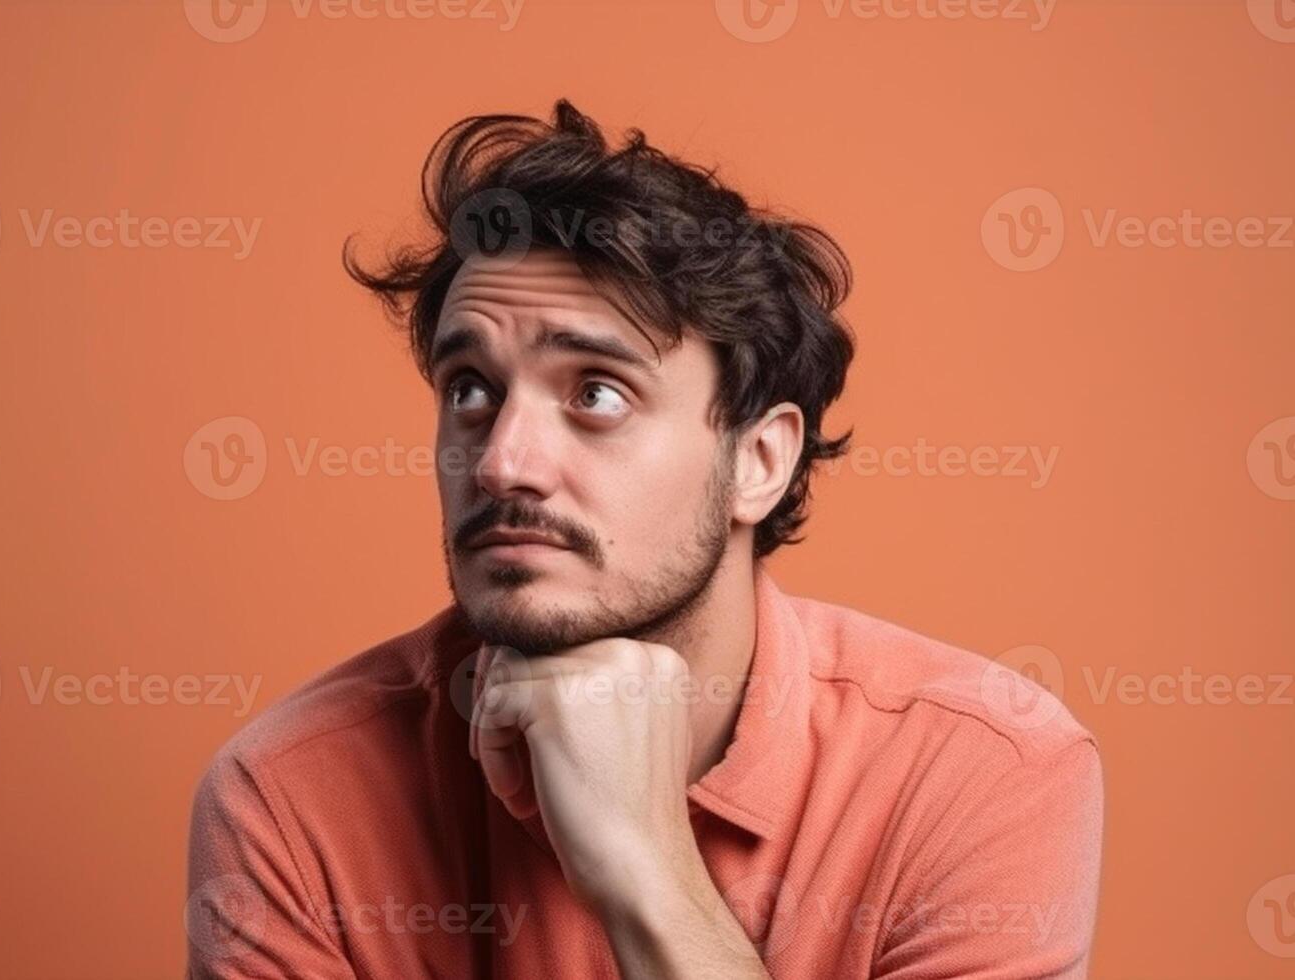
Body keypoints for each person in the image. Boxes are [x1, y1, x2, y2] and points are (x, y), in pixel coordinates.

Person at [186, 100, 1103, 978]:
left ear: (759, 460)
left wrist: (649, 876)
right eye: (471, 388)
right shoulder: (293, 798)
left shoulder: (979, 771)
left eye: (596, 393)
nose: (503, 461)